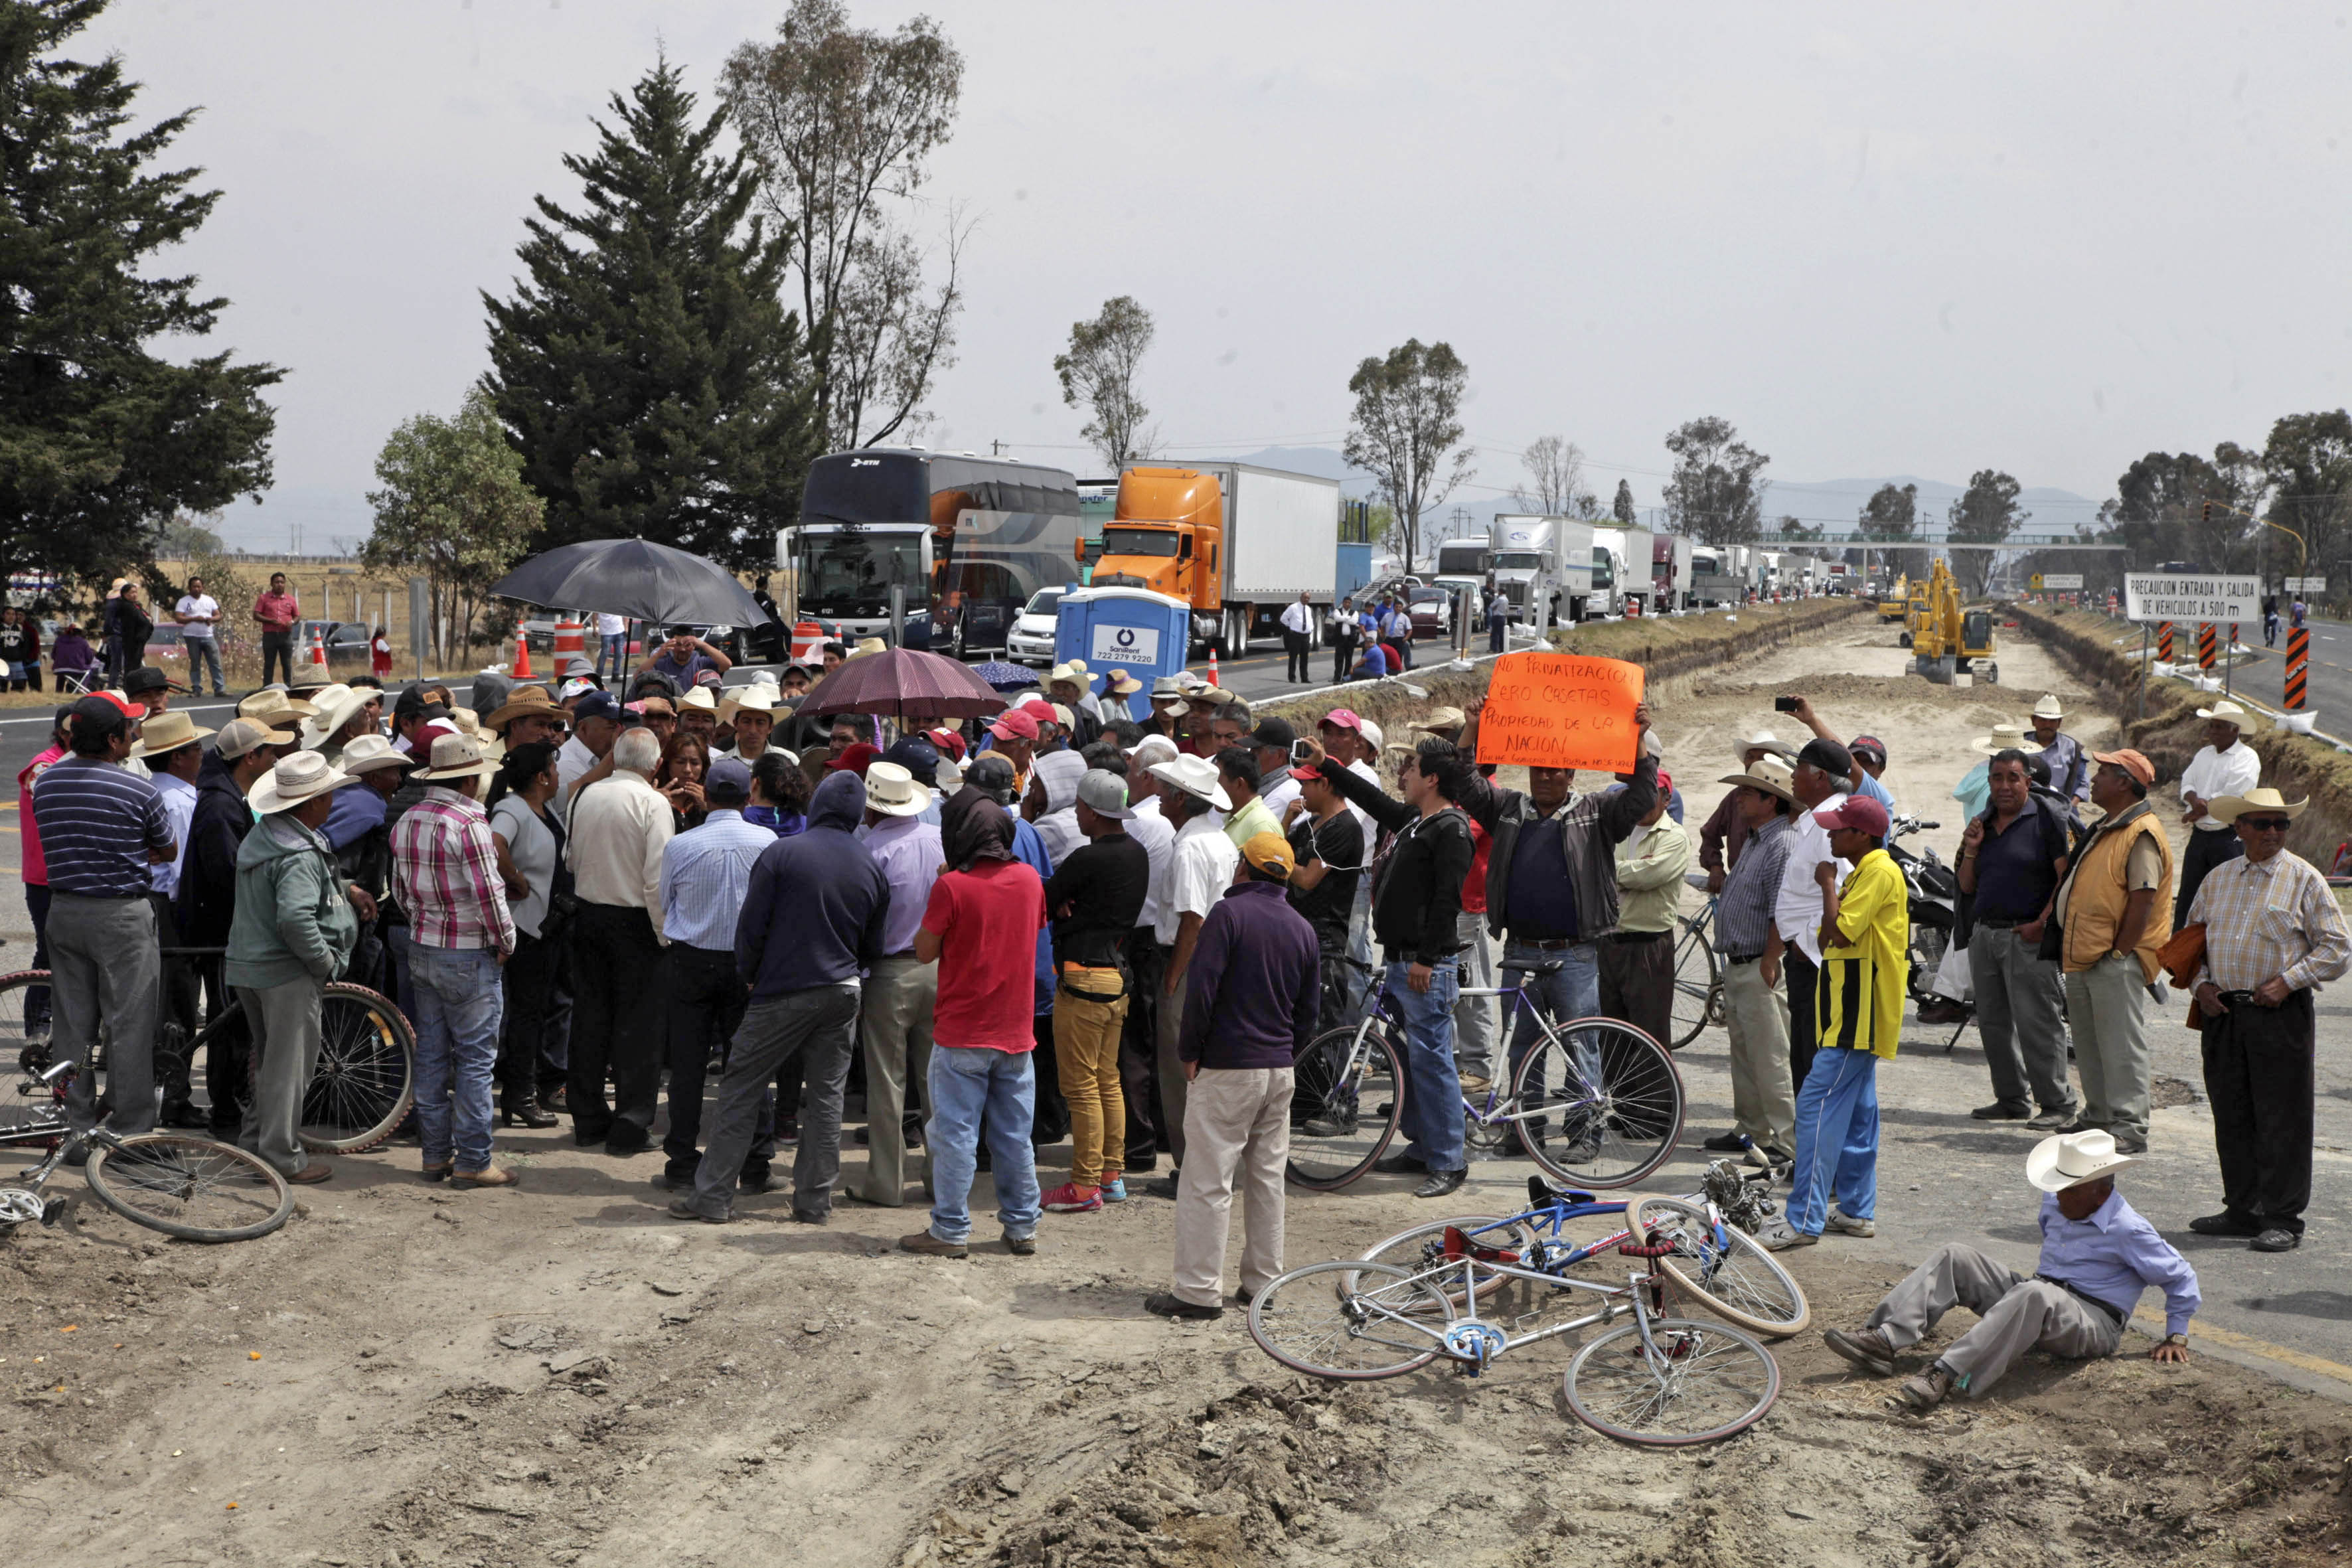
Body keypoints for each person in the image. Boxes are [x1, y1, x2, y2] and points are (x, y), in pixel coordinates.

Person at [1824, 1131, 2198, 1410]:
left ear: (2101, 1191)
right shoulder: (2057, 1203)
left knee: (2035, 1294)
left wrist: (2176, 1336)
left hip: (2093, 1322)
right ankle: (1885, 1339)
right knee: (1957, 1255)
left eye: (2070, 1190)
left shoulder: (2129, 1229)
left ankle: (1947, 1374)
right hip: (2040, 1295)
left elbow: (2181, 1276)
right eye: (2059, 1186)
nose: (2058, 1195)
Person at [671, 772, 885, 1225]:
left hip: (783, 990)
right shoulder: (869, 865)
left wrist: (750, 976)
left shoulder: (783, 852)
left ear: (818, 806)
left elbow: (751, 927)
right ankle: (812, 1203)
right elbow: (873, 947)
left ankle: (711, 1197)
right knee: (826, 1099)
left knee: (741, 1087)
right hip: (843, 991)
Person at [1447, 700, 1661, 1117]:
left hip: (1575, 954)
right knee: (1521, 1049)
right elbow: (1463, 783)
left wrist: (1636, 742)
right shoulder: (1508, 809)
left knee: (1581, 1046)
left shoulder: (1597, 813)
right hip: (1520, 952)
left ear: (1571, 775)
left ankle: (1586, 1132)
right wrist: (1472, 729)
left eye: (1555, 771)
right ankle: (1524, 1132)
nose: (1545, 778)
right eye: (1538, 770)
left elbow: (1643, 796)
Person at [1146, 830, 1322, 1318]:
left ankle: (1197, 1291)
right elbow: (1309, 1011)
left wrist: (1188, 1050)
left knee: (1207, 1180)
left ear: (1243, 868)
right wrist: (1286, 1051)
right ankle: (1263, 1283)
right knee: (1267, 1180)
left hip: (1228, 1067)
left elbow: (1201, 990)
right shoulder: (1300, 927)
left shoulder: (1229, 914)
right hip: (1276, 1068)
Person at [1304, 736, 1477, 1198]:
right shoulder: (1415, 821)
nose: (1404, 775)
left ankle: (1448, 1162)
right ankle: (1422, 1149)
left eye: (1412, 767)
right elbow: (1373, 799)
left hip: (1425, 967)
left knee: (1434, 1064)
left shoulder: (1450, 830)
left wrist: (1425, 958)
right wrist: (1329, 765)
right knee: (1409, 1060)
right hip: (1400, 963)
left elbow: (1447, 902)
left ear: (1432, 778)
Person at [2185, 787, 2352, 1253]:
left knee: (2283, 1117)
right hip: (2224, 1012)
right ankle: (2241, 1208)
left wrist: (2288, 980)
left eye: (2281, 824)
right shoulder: (2217, 879)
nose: (2273, 833)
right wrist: (2201, 984)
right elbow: (2191, 942)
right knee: (2231, 1112)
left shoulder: (2304, 878)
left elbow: (2336, 947)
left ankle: (2281, 1217)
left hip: (2278, 1013)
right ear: (2239, 828)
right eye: (2262, 824)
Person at [900, 799, 1050, 1258]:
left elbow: (924, 951)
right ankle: (1022, 1227)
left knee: (954, 1136)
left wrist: (942, 884)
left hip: (962, 1031)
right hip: (1015, 1030)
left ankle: (949, 1229)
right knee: (1012, 1136)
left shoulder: (951, 886)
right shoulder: (1029, 880)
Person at [1761, 794, 1907, 1251]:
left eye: (1837, 830)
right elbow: (1829, 933)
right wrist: (1832, 905)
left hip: (1857, 1016)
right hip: (1849, 1012)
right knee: (1860, 1114)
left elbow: (1837, 931)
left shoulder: (1877, 872)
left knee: (1815, 1107)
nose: (1828, 836)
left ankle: (1804, 1218)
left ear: (1861, 835)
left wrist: (1827, 885)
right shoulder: (1865, 871)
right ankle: (1857, 1211)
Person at [33, 695, 175, 1142]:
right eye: (128, 732)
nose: (134, 736)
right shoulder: (139, 790)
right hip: (120, 915)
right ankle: (128, 1133)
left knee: (73, 1027)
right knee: (128, 1025)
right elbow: (166, 849)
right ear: (113, 740)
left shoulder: (48, 784)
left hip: (65, 911)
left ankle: (76, 1130)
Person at [226, 750, 364, 1183]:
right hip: (285, 972)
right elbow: (295, 918)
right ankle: (281, 1158)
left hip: (250, 966)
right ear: (311, 803)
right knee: (289, 1071)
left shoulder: (265, 837)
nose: (331, 803)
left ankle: (255, 1146)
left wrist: (342, 887)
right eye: (326, 796)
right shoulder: (298, 854)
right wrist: (322, 962)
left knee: (270, 1065)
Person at [391, 734, 520, 1188]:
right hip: (468, 953)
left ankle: (435, 1156)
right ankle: (473, 1161)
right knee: (474, 1061)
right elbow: (489, 894)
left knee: (430, 1056)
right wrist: (506, 940)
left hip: (424, 946)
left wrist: (424, 925)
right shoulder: (467, 824)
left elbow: (402, 891)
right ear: (469, 780)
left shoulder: (408, 819)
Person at [647, 757, 775, 1193]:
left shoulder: (682, 845)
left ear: (707, 794)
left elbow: (666, 903)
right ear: (749, 794)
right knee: (751, 1066)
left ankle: (682, 1163)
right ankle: (756, 1164)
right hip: (746, 968)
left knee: (687, 1069)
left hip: (691, 963)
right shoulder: (766, 841)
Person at [2049, 749, 2173, 1155]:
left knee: (2120, 1045)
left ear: (2124, 782)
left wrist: (2121, 952)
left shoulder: (2140, 831)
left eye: (2103, 772)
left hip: (2114, 958)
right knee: (2089, 1042)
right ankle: (2099, 1117)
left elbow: (2143, 899)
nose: (2095, 778)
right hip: (2089, 954)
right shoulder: (2110, 826)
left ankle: (2130, 1127)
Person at [1038, 770, 1151, 1214]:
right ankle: (1110, 1174)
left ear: (1089, 810)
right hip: (1117, 976)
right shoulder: (1136, 853)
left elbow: (1047, 898)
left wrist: (1064, 911)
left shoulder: (1088, 859)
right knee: (1107, 1080)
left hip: (1084, 978)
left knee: (1081, 1086)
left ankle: (1084, 1186)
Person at [562, 726, 674, 1155]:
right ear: (656, 765)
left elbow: (569, 859)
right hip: (635, 923)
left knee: (590, 1021)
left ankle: (588, 1119)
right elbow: (657, 879)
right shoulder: (653, 803)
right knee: (639, 1028)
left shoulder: (584, 796)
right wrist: (664, 935)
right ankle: (630, 1124)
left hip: (589, 915)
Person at [1957, 747, 2077, 1130]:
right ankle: (2011, 1100)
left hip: (2028, 937)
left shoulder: (2046, 820)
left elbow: (2065, 879)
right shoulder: (1984, 823)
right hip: (1987, 936)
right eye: (1997, 778)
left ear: (2028, 780)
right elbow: (1966, 884)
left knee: (2038, 1023)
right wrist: (1972, 850)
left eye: (2013, 777)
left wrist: (2042, 923)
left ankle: (2057, 1103)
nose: (2005, 786)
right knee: (1993, 1024)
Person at [1141, 753, 1241, 1193]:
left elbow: (1191, 921)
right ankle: (1213, 1161)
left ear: (1181, 799)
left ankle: (1190, 1168)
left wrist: (1172, 977)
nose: (1159, 798)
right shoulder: (1218, 839)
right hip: (1220, 964)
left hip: (1189, 964)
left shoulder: (1188, 847)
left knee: (1180, 1068)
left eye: (1166, 792)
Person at [851, 759, 945, 1208]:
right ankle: (939, 1177)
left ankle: (886, 1183)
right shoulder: (939, 838)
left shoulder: (870, 851)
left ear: (870, 808)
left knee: (887, 1083)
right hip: (938, 968)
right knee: (936, 1083)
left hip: (889, 974)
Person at [1705, 759, 1800, 1166]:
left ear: (1771, 799)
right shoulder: (1759, 838)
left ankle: (1788, 1142)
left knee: (1771, 1056)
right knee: (1745, 1054)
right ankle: (1754, 1132)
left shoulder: (1781, 843)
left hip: (1760, 963)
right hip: (1741, 962)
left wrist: (1770, 958)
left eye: (1747, 792)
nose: (1740, 798)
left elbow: (1783, 907)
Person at [131, 710, 211, 1123]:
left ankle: (163, 1091)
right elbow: (180, 872)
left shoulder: (151, 790)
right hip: (170, 909)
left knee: (164, 1002)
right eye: (196, 748)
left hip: (152, 905)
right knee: (177, 1005)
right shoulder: (178, 801)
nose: (202, 754)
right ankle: (172, 1099)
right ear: (178, 757)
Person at [1770, 738, 1854, 1092]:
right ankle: (1809, 1146)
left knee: (1812, 1061)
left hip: (1817, 961)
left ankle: (1814, 1146)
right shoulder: (1817, 820)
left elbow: (1847, 889)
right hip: (1807, 956)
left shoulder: (1833, 824)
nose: (1792, 776)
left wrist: (1809, 944)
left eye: (1798, 768)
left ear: (1820, 777)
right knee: (1804, 1057)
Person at [1601, 769, 1691, 1051]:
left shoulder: (1674, 836)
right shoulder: (1618, 831)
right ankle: (1619, 1095)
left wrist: (1610, 872)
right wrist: (1626, 872)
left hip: (1649, 945)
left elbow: (1648, 876)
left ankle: (1657, 1097)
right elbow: (1626, 872)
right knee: (1611, 1031)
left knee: (1650, 1033)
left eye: (1651, 793)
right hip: (1611, 943)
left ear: (1666, 799)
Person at [2175, 698, 2261, 927]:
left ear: (2235, 730)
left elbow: (2232, 794)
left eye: (2219, 727)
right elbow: (2187, 782)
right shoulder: (2204, 754)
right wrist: (2195, 803)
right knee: (2188, 896)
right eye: (2212, 726)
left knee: (2225, 897)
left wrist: (2197, 809)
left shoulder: (2247, 758)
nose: (2213, 731)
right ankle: (2178, 950)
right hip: (2200, 835)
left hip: (2227, 836)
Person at [16, 707, 71, 1042]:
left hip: (68, 876)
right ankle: (38, 1028)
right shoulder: (44, 766)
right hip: (45, 879)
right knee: (48, 953)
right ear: (62, 734)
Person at [1698, 727, 1792, 888]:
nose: (1753, 762)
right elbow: (1709, 833)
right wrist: (1715, 867)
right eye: (1750, 757)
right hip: (1736, 883)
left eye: (1761, 758)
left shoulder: (1788, 804)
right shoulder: (1735, 798)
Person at [1782, 697, 1892, 814]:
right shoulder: (1837, 793)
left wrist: (1812, 721)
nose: (1860, 765)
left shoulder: (1879, 797)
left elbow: (1850, 763)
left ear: (1881, 769)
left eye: (1867, 761)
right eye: (1856, 757)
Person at [555, 690, 622, 808]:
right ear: (583, 727)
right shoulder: (566, 766)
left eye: (620, 727)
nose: (619, 733)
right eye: (612, 727)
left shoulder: (600, 756)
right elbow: (602, 810)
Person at [1214, 746, 1281, 850]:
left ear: (1239, 784)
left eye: (1217, 781)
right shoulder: (1232, 815)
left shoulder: (1262, 825)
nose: (1213, 787)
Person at [2025, 694, 2089, 801]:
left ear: (2059, 723)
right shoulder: (2020, 744)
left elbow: (2083, 783)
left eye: (2052, 721)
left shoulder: (2072, 748)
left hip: (2059, 809)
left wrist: (2069, 807)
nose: (2047, 725)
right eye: (2043, 720)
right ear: (2033, 721)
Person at [640, 624, 733, 687]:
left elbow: (727, 664)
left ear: (694, 646)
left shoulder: (701, 663)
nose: (682, 649)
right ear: (671, 644)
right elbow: (639, 676)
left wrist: (703, 645)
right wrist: (657, 655)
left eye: (687, 645)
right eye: (678, 644)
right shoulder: (661, 664)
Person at [655, 730, 712, 832]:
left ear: (704, 767)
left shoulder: (712, 801)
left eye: (694, 763)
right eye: (680, 762)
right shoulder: (652, 794)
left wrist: (709, 809)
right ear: (668, 764)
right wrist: (653, 802)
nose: (687, 770)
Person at [253, 572, 299, 688]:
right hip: (270, 635)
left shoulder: (291, 599)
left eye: (282, 582)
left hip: (286, 635)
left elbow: (297, 616)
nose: (279, 584)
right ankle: (267, 688)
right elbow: (256, 615)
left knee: (287, 664)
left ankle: (289, 687)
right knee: (269, 663)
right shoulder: (264, 598)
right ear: (271, 584)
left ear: (285, 584)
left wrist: (292, 622)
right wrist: (270, 621)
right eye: (277, 582)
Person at [112, 580, 153, 674]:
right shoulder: (126, 606)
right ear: (125, 594)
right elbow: (141, 620)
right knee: (131, 667)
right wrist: (147, 620)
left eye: (136, 592)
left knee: (136, 666)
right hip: (132, 640)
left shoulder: (135, 606)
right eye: (132, 592)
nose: (135, 595)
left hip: (138, 641)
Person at [1280, 591, 1316, 682]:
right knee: (1293, 657)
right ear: (1301, 598)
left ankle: (1304, 678)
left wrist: (1311, 628)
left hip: (1306, 636)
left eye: (1308, 598)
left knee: (1305, 658)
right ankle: (1292, 677)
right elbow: (1283, 618)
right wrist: (1290, 626)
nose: (1306, 599)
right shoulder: (1293, 607)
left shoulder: (1308, 609)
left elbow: (1311, 621)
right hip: (1296, 635)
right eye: (1305, 597)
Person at [1326, 596, 1360, 683]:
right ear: (1343, 603)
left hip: (1350, 640)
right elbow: (1337, 618)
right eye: (1345, 602)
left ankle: (1346, 677)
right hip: (1340, 639)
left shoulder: (1355, 612)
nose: (1347, 604)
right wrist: (1348, 618)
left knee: (1349, 659)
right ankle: (1337, 677)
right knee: (1339, 659)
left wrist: (1343, 619)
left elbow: (1354, 622)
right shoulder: (1337, 611)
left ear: (1351, 604)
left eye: (1349, 603)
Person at [594, 610, 629, 682]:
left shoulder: (618, 600)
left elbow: (625, 613)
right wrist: (595, 628)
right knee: (604, 653)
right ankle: (598, 675)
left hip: (619, 630)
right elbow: (595, 615)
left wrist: (626, 627)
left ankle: (615, 675)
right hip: (606, 632)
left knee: (619, 654)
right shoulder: (600, 601)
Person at [1486, 583, 1509, 653]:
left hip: (1497, 617)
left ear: (1501, 592)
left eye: (1499, 591)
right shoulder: (1506, 599)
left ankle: (1494, 649)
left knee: (1495, 633)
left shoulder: (1500, 599)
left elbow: (1491, 605)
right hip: (1503, 617)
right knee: (1501, 634)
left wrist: (1494, 607)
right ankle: (1501, 648)